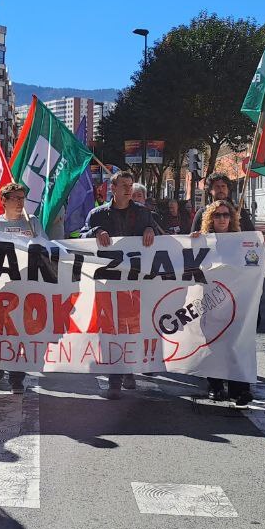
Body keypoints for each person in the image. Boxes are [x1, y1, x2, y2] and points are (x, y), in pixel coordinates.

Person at [81, 170, 161, 399]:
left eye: (131, 184)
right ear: (112, 188)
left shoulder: (144, 214)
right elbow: (80, 236)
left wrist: (150, 230)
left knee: (131, 329)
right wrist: (95, 231)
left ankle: (127, 370)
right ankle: (115, 378)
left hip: (135, 284)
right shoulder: (97, 214)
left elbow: (158, 238)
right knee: (110, 331)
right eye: (123, 185)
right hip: (107, 284)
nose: (128, 189)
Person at [191, 199, 255, 405]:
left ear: (232, 218)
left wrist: (262, 246)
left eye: (226, 215)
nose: (222, 219)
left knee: (236, 343)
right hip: (211, 300)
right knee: (214, 343)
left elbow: (252, 263)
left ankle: (240, 390)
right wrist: (192, 241)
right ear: (210, 218)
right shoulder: (203, 240)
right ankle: (215, 385)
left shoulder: (241, 240)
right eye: (217, 215)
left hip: (235, 301)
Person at [0, 180, 45, 392]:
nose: (21, 203)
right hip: (2, 287)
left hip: (27, 285)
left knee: (21, 331)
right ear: (4, 201)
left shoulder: (33, 222)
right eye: (16, 199)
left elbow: (46, 247)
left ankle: (17, 378)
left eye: (23, 199)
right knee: (0, 329)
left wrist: (36, 242)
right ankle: (0, 360)